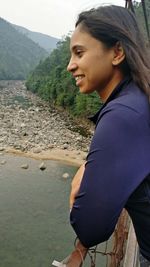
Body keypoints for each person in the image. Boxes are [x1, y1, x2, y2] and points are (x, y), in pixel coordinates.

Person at [67, 5, 150, 266]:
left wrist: (81, 180)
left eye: (79, 52)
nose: (70, 66)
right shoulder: (139, 99)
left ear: (117, 53)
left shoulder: (122, 115)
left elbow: (90, 227)